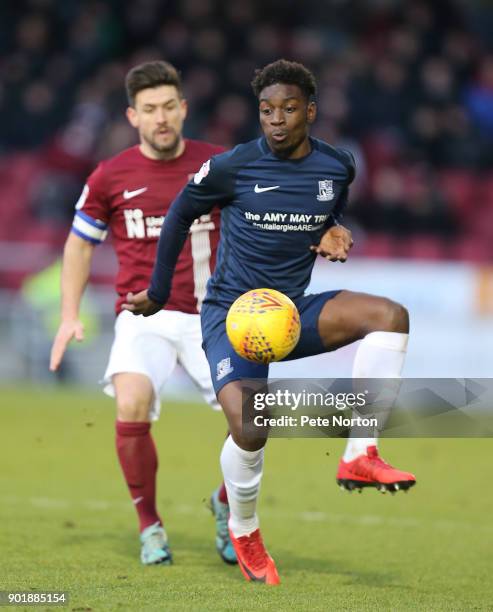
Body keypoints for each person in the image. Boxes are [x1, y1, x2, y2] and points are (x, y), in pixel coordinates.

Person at [123, 59, 416, 585]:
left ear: (310, 111)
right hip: (233, 316)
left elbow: (327, 214)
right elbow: (178, 215)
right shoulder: (234, 167)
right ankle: (244, 528)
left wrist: (330, 231)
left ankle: (360, 452)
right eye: (266, 110)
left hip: (290, 311)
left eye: (287, 109)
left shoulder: (336, 167)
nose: (275, 120)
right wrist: (161, 292)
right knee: (252, 428)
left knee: (390, 317)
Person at [49, 60, 237, 567]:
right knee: (130, 404)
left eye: (169, 107)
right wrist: (70, 314)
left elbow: (269, 211)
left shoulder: (220, 165)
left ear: (184, 108)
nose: (161, 118)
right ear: (133, 116)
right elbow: (78, 245)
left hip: (212, 317)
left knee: (249, 420)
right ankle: (149, 525)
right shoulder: (110, 176)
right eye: (150, 109)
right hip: (143, 314)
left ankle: (229, 505)